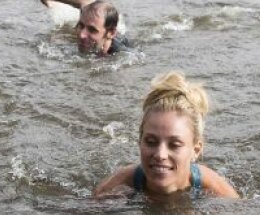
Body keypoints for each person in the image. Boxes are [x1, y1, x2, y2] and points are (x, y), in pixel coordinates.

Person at [94, 72, 239, 199]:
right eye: (151, 142)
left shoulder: (218, 191)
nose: (160, 154)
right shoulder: (114, 187)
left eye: (174, 144)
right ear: (140, 142)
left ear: (195, 150)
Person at [38, 0, 129, 56]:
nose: (81, 35)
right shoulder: (88, 12)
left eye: (92, 30)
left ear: (111, 33)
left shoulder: (121, 54)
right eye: (80, 25)